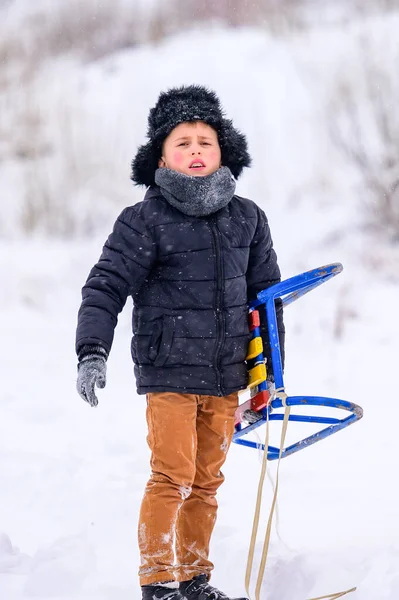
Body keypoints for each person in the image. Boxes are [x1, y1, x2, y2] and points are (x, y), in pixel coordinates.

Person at [75, 85, 285, 600]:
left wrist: (269, 379)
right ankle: (157, 582)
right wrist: (91, 352)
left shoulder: (248, 218)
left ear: (224, 151)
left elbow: (267, 304)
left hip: (226, 373)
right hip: (168, 371)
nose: (195, 151)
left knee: (208, 482)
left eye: (205, 142)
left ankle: (193, 579)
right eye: (183, 143)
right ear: (161, 156)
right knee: (173, 475)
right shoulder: (144, 220)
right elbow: (105, 286)